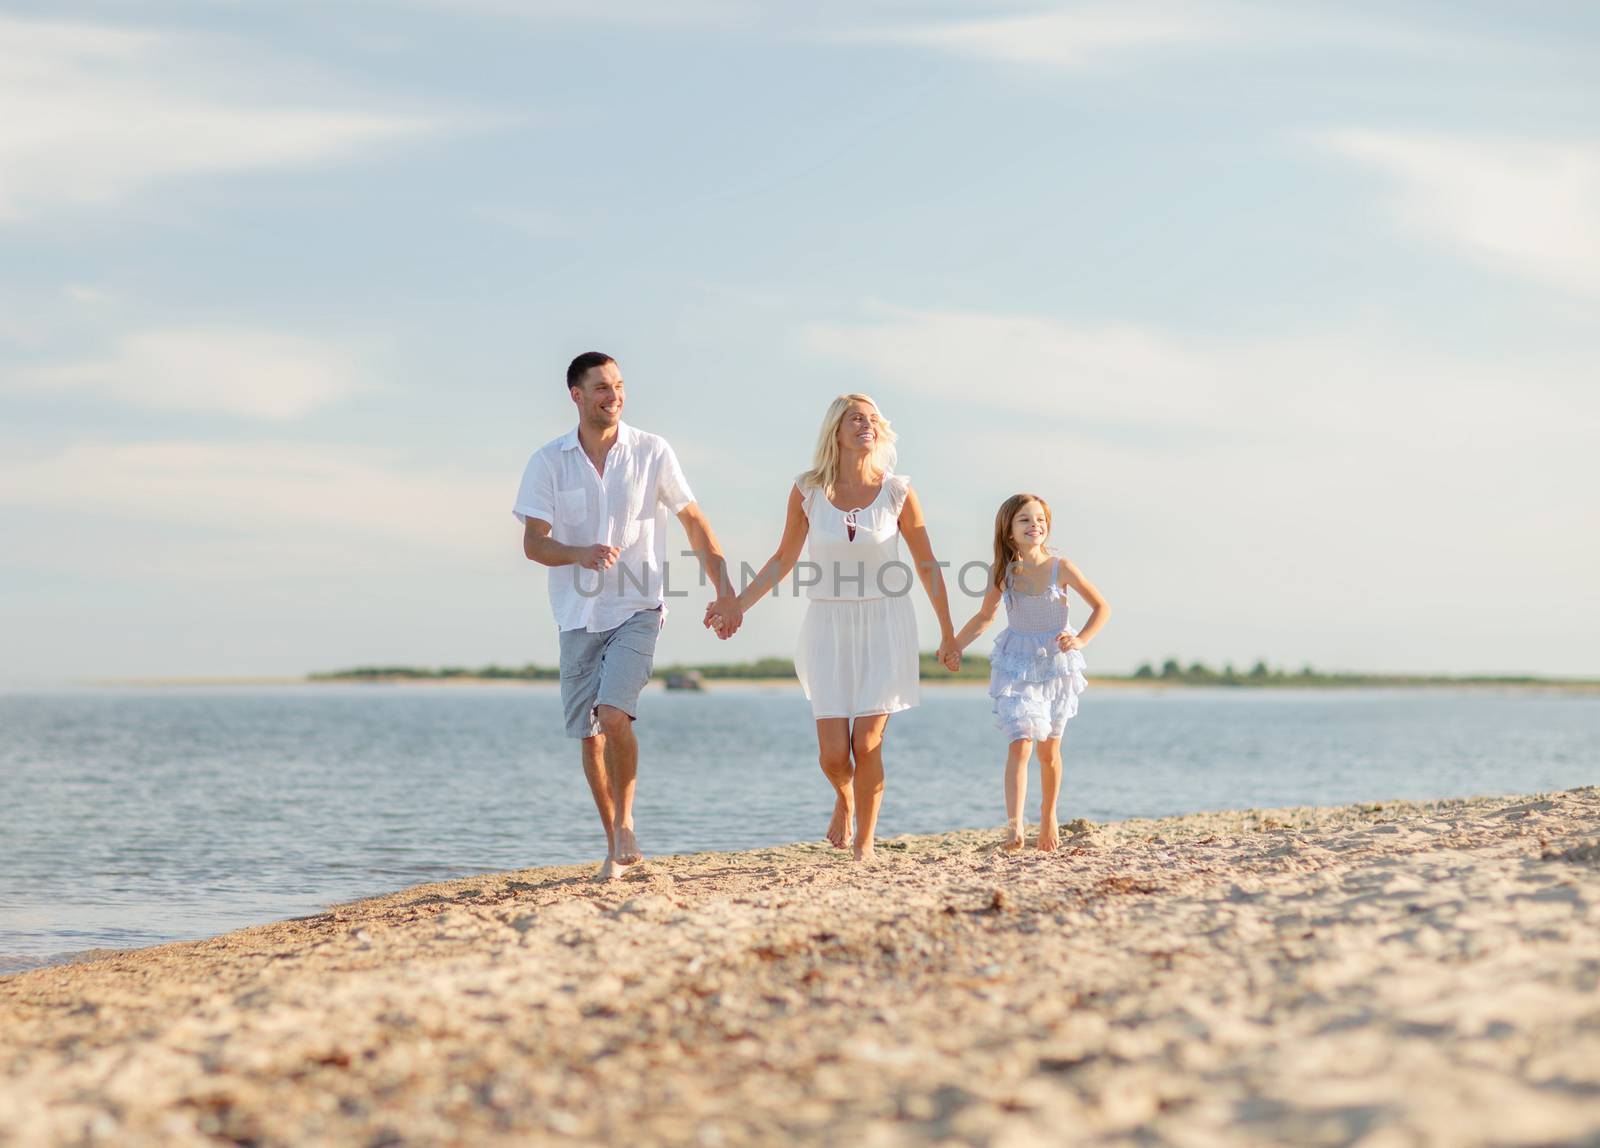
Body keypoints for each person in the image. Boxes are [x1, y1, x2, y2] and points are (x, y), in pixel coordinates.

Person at [515, 351, 743, 882]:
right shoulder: (548, 461)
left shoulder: (651, 451)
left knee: (614, 715)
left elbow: (693, 521)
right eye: (600, 388)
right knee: (589, 736)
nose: (613, 395)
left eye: (618, 386)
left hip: (637, 605)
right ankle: (612, 842)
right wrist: (578, 553)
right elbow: (533, 544)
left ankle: (627, 823)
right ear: (576, 395)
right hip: (575, 614)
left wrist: (726, 591)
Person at [726, 394, 958, 863]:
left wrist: (949, 633)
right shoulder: (808, 490)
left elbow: (928, 563)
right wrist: (738, 605)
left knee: (867, 741)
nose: (866, 425)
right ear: (836, 430)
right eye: (856, 418)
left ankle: (865, 842)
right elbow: (783, 559)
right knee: (834, 755)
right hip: (829, 623)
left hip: (885, 622)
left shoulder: (897, 491)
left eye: (872, 419)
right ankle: (845, 796)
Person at [948, 493, 1110, 852]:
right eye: (1024, 520)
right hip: (1017, 663)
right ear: (1009, 532)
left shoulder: (1061, 567)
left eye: (1039, 519)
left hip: (1056, 666)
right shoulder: (1003, 573)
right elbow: (985, 617)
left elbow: (1101, 607)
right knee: (1020, 742)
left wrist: (1080, 639)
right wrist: (956, 644)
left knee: (1048, 752)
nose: (1034, 525)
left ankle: (1048, 816)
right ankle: (1014, 827)